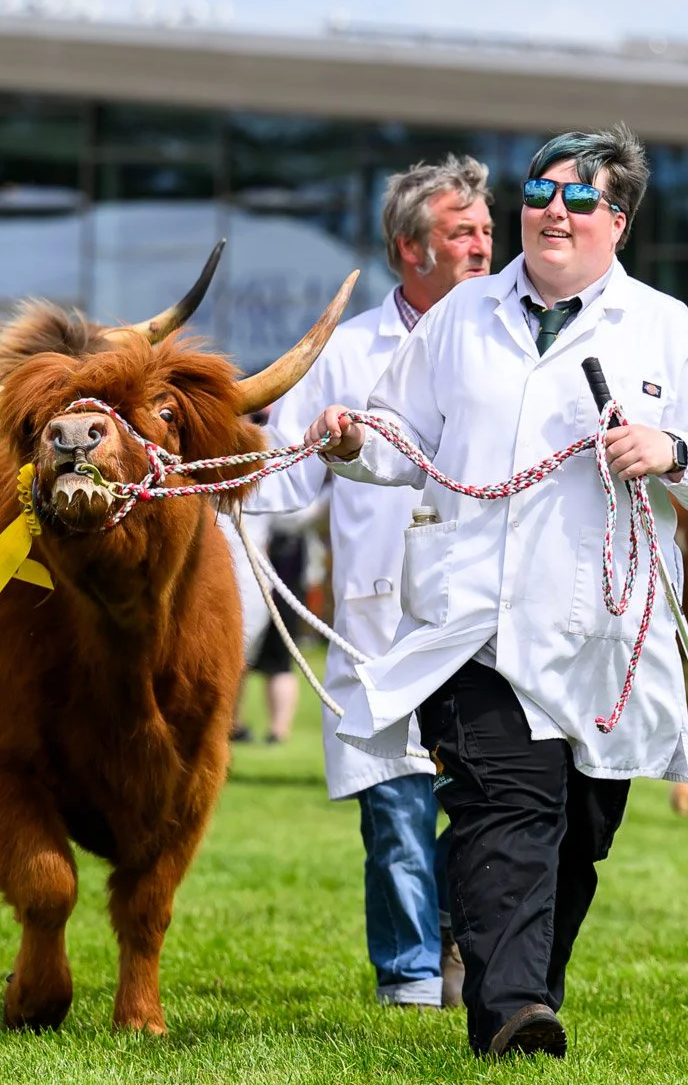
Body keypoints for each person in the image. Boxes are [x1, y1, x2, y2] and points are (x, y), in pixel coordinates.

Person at [311, 125, 688, 1058]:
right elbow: (401, 435)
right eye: (540, 190)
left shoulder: (668, 332)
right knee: (502, 805)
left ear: (618, 222)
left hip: (602, 632)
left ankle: (527, 986)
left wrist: (668, 450)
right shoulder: (460, 317)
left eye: (581, 197)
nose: (555, 209)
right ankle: (512, 1009)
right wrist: (357, 444)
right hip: (471, 622)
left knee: (576, 832)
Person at [249, 154, 493, 1008]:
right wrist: (210, 477)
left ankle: (477, 958)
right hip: (377, 625)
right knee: (395, 815)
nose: (481, 246)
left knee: (486, 810)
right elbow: (278, 480)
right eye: (460, 231)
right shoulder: (349, 350)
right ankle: (411, 979)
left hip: (483, 624)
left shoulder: (514, 342)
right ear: (408, 248)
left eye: (486, 231)